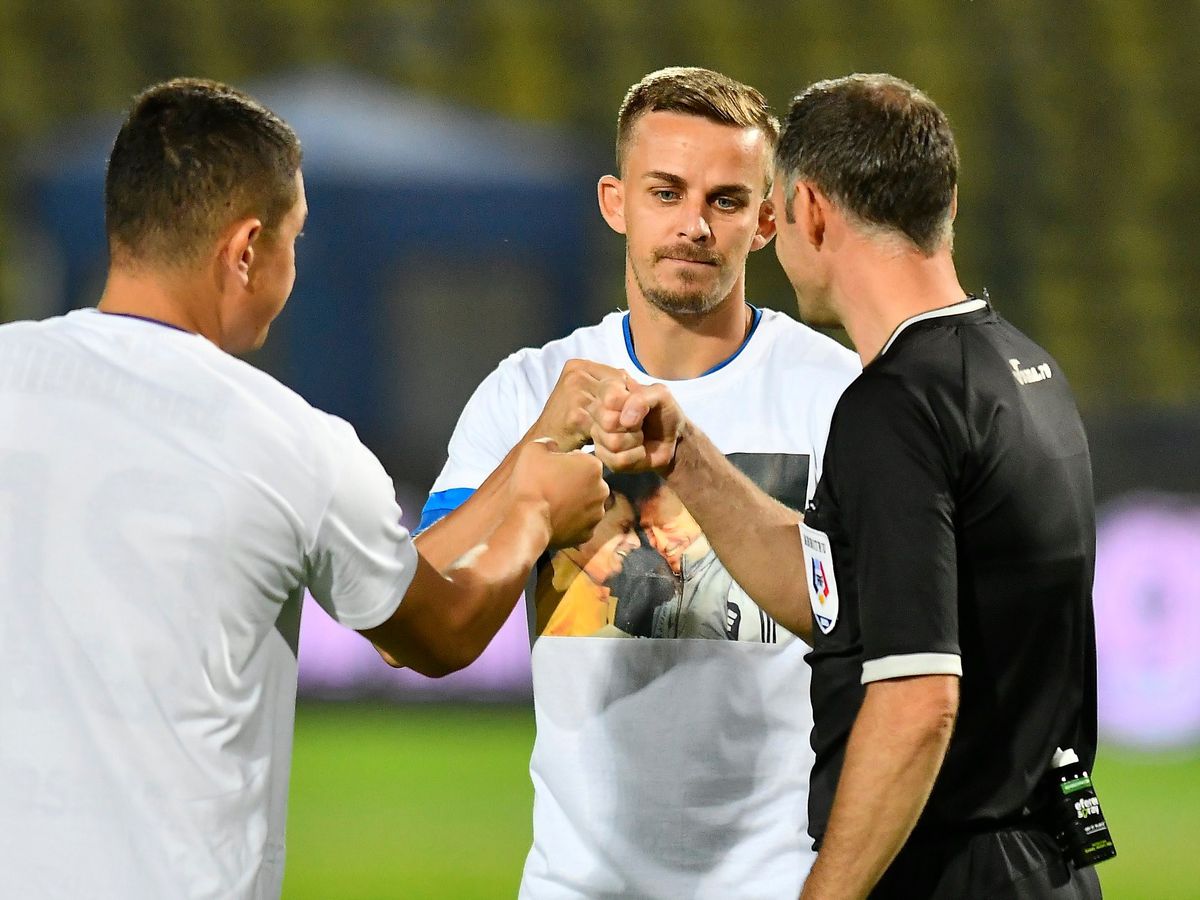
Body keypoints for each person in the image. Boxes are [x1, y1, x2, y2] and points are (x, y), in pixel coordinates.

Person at [0, 77, 607, 900]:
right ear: (247, 249)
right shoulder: (288, 441)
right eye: (295, 240)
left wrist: (522, 461)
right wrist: (536, 515)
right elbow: (438, 633)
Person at [589, 73, 1102, 899]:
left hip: (951, 870)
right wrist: (684, 456)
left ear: (811, 211)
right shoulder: (1020, 368)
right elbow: (840, 594)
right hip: (1046, 858)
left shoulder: (893, 408)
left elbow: (918, 701)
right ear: (947, 203)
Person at [418, 67, 860, 898]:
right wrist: (540, 445)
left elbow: (886, 632)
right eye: (666, 193)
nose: (694, 224)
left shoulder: (837, 396)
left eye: (726, 200)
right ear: (615, 203)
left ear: (767, 220)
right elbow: (415, 610)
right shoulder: (526, 389)